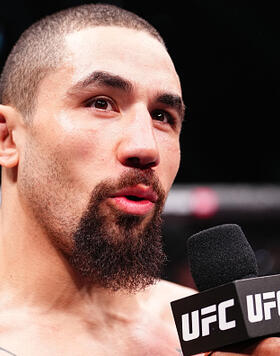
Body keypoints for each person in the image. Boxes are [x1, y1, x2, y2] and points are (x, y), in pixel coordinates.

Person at [0, 3, 278, 355]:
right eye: (101, 103)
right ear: (7, 138)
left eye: (162, 116)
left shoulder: (205, 338)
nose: (146, 148)